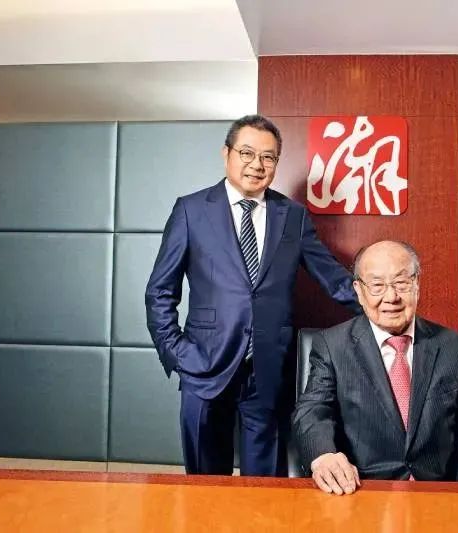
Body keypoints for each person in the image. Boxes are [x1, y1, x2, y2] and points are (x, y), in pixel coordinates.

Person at [145, 114, 360, 477]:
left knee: (264, 486)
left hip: (268, 368)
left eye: (268, 157)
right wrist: (178, 354)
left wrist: (379, 303)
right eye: (246, 153)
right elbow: (160, 292)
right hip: (203, 366)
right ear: (226, 154)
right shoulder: (191, 210)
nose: (257, 165)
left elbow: (333, 278)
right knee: (204, 485)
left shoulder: (293, 216)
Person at [292, 240, 458, 495]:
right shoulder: (333, 346)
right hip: (363, 492)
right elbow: (312, 410)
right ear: (359, 291)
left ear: (417, 284)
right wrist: (323, 455)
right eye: (377, 285)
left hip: (436, 494)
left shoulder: (450, 345)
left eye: (401, 283)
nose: (391, 297)